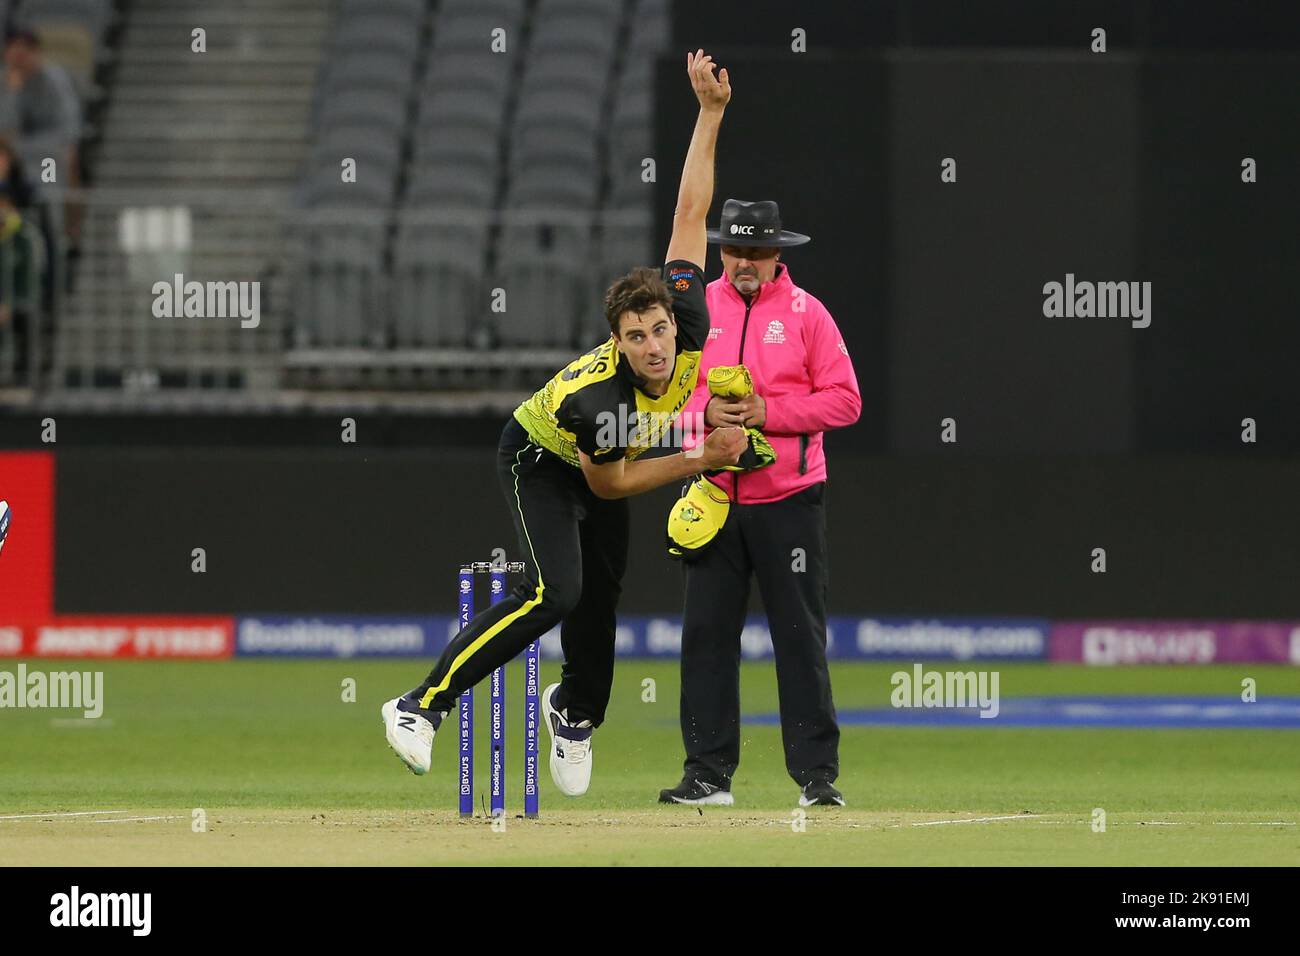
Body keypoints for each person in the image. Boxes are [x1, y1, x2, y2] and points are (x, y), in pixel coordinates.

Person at [382, 50, 747, 798]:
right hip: (542, 457)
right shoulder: (601, 399)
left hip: (621, 456)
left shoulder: (689, 319)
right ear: (617, 340)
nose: (653, 346)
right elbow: (609, 486)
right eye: (636, 337)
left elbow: (689, 214)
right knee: (557, 591)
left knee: (602, 595)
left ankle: (574, 713)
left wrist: (709, 114)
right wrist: (702, 455)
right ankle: (420, 704)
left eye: (658, 332)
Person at [659, 198, 862, 808]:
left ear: (778, 254)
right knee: (706, 637)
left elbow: (845, 401)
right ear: (721, 250)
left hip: (790, 501)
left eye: (757, 251)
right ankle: (707, 775)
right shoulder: (693, 312)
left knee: (799, 637)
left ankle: (817, 778)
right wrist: (705, 414)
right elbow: (664, 400)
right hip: (715, 496)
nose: (745, 262)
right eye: (735, 249)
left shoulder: (809, 315)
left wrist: (770, 412)